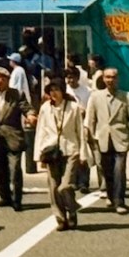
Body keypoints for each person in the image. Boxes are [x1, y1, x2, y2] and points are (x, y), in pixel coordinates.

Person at [0, 66, 36, 212]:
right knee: (0, 169)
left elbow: (26, 108)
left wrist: (30, 115)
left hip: (13, 137)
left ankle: (17, 199)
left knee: (15, 168)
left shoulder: (16, 94)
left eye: (2, 79)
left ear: (8, 80)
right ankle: (5, 196)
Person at [83, 68, 129, 215]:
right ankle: (110, 195)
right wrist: (89, 137)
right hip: (102, 139)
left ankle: (120, 202)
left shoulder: (127, 97)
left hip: (121, 139)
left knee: (119, 171)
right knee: (106, 171)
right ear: (103, 79)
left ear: (118, 79)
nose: (110, 80)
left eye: (113, 77)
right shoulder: (95, 97)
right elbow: (91, 119)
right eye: (107, 77)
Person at [34, 78, 86, 231]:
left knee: (65, 186)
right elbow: (41, 130)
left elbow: (80, 131)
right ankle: (61, 218)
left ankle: (72, 209)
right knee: (53, 187)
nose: (53, 93)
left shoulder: (73, 107)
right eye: (51, 90)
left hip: (70, 149)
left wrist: (83, 153)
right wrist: (38, 155)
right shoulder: (45, 108)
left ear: (63, 91)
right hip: (51, 150)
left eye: (56, 89)